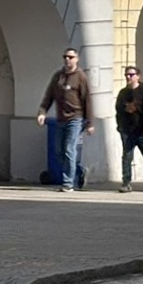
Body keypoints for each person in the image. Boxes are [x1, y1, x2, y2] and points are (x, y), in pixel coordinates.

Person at [37, 47, 94, 192]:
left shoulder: (80, 77)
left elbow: (87, 100)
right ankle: (79, 171)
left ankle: (68, 184)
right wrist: (42, 112)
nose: (67, 60)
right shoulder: (58, 76)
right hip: (60, 119)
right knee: (59, 151)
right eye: (65, 57)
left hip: (76, 118)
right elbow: (49, 96)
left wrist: (90, 122)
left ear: (77, 59)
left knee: (69, 149)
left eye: (70, 57)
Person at [114, 66, 143, 193]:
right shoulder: (123, 93)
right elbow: (119, 111)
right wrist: (120, 126)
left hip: (142, 131)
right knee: (127, 157)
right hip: (127, 131)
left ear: (138, 76)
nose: (128, 77)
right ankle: (126, 183)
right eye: (126, 75)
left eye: (131, 75)